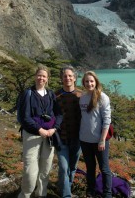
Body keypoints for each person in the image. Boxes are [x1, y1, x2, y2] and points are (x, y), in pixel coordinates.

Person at [18, 64, 63, 198]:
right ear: (35, 76)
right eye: (39, 75)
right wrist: (39, 129)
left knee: (45, 168)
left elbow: (59, 114)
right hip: (32, 135)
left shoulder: (50, 94)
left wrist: (55, 128)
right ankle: (25, 194)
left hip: (49, 135)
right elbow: (23, 117)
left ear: (47, 78)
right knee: (30, 170)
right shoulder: (28, 94)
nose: (41, 78)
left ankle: (41, 194)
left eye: (44, 76)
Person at [79, 71, 112, 198]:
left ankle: (107, 194)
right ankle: (90, 191)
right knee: (90, 167)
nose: (89, 83)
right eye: (87, 81)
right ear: (83, 83)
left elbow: (107, 120)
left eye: (91, 81)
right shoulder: (82, 97)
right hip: (85, 139)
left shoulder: (103, 97)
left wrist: (102, 139)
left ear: (96, 82)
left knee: (104, 169)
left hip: (99, 140)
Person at [55, 65, 82, 198]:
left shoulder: (81, 95)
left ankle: (66, 188)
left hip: (77, 138)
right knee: (64, 167)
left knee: (72, 167)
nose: (67, 78)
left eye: (70, 76)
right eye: (65, 76)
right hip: (61, 138)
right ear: (61, 78)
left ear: (75, 78)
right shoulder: (55, 96)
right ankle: (66, 195)